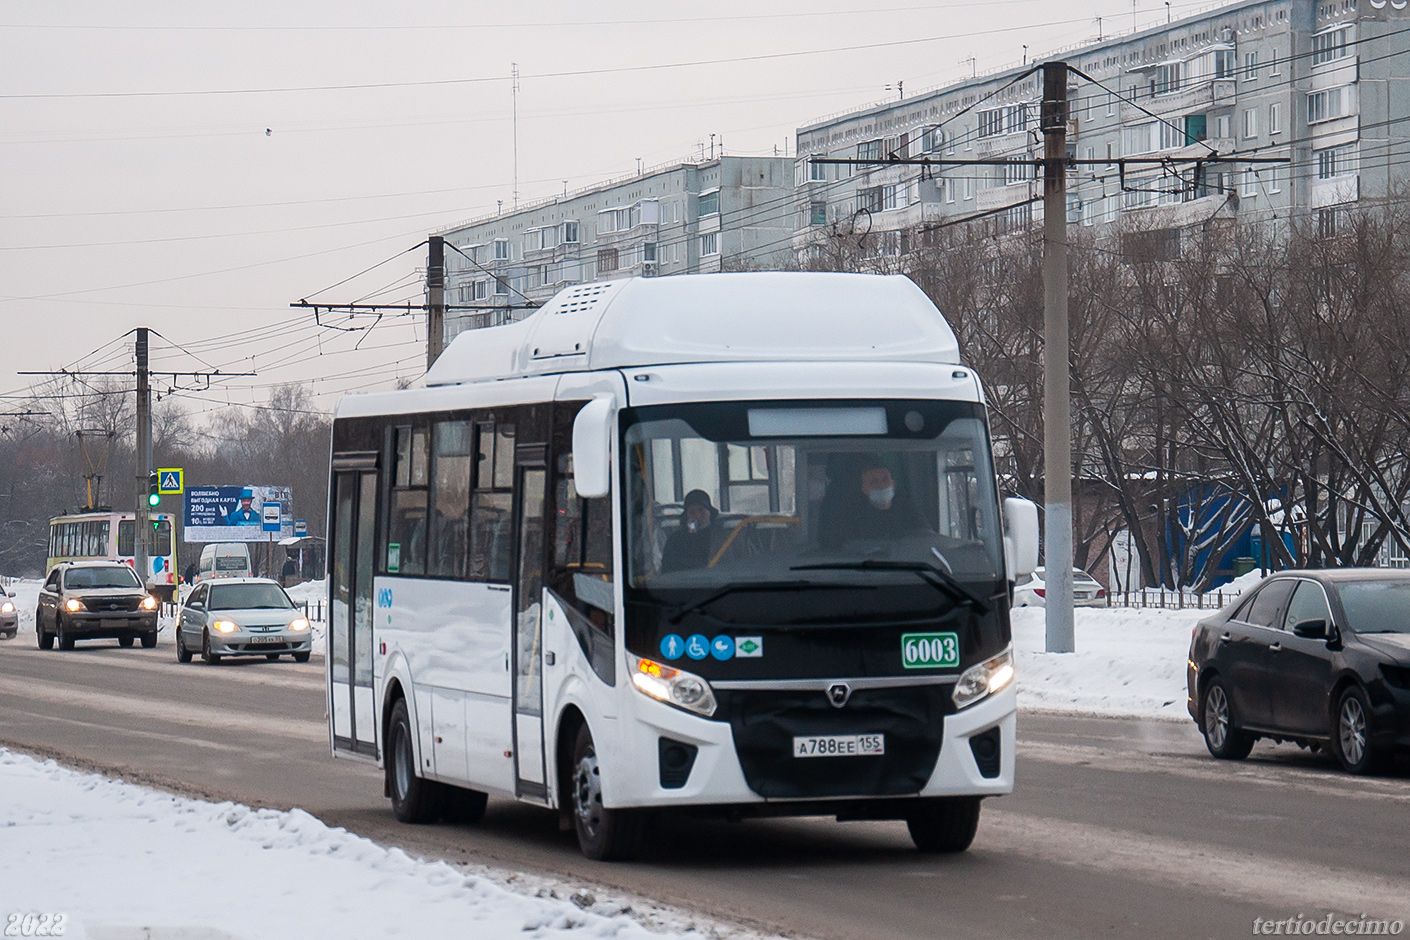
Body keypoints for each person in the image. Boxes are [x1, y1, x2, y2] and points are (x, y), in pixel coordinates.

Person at [821, 458, 925, 547]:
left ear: (893, 483)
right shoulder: (853, 515)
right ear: (864, 489)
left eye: (885, 479)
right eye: (874, 482)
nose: (881, 485)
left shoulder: (907, 506)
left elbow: (925, 536)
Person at [660, 489, 719, 573]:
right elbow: (667, 571)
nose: (697, 516)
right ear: (686, 515)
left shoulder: (720, 536)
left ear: (710, 512)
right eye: (692, 512)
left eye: (701, 510)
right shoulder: (675, 540)